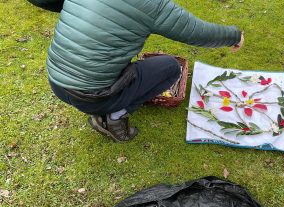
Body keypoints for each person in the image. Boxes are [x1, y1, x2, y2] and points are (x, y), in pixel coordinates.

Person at [47, 0, 244, 142]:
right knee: (170, 67)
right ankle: (113, 118)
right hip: (95, 97)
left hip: (56, 81)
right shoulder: (153, 5)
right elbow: (198, 32)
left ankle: (104, 106)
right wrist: (234, 36)